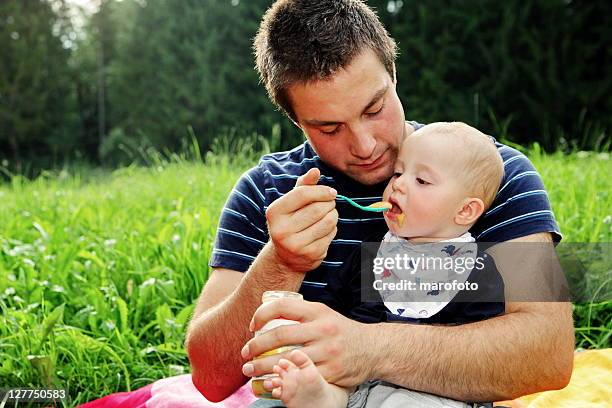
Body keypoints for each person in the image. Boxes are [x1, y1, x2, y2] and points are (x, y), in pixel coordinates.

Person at [185, 0, 574, 406]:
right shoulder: (265, 192)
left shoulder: (490, 175)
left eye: (374, 109)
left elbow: (549, 353)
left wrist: (366, 348)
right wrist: (281, 263)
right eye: (329, 127)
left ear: (393, 74)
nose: (365, 145)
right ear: (296, 121)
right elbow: (211, 378)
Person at [263, 121, 508, 407]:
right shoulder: (372, 251)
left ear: (465, 210)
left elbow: (481, 350)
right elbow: (331, 310)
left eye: (422, 181)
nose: (398, 184)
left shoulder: (478, 268)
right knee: (318, 387)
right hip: (353, 382)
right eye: (399, 173)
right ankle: (319, 396)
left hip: (430, 391)